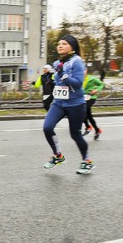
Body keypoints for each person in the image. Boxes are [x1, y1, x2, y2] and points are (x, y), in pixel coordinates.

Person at [42, 35, 94, 174]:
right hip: (59, 102)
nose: (60, 46)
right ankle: (58, 156)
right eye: (59, 43)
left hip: (75, 104)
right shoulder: (58, 62)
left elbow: (77, 84)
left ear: (72, 46)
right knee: (47, 127)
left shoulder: (77, 62)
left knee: (75, 134)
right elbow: (59, 81)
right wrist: (52, 82)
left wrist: (64, 75)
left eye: (64, 43)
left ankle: (87, 161)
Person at [82, 69, 104, 140]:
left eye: (83, 70)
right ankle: (97, 130)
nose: (82, 72)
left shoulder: (92, 79)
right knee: (89, 116)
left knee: (82, 112)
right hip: (82, 98)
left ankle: (88, 127)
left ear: (86, 70)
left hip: (90, 98)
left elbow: (101, 84)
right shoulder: (78, 78)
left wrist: (96, 90)